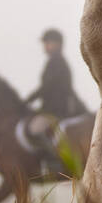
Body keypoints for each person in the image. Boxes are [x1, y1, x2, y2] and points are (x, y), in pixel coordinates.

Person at [24, 29, 88, 170]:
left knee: (35, 129)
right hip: (54, 107)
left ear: (58, 44)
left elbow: (47, 88)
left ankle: (55, 160)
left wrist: (28, 101)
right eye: (45, 43)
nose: (45, 46)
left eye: (48, 43)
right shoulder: (54, 62)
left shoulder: (57, 62)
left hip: (57, 109)